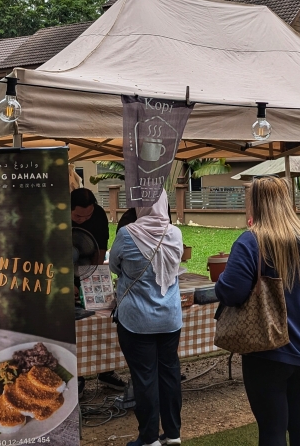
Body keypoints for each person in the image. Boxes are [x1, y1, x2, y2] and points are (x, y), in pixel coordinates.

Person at [215, 177, 300, 446]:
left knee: (271, 430)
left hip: (266, 351)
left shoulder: (250, 242)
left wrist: (220, 281)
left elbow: (231, 292)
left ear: (255, 204)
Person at [109, 191, 184, 446]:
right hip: (170, 317)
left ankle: (149, 438)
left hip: (137, 319)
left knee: (145, 378)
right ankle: (173, 434)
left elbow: (114, 266)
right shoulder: (175, 233)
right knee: (170, 374)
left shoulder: (127, 233)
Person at [71, 188, 128, 390]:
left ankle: (106, 370)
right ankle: (76, 375)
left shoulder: (98, 216)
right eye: (77, 216)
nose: (83, 220)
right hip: (61, 274)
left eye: (87, 215)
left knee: (103, 322)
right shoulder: (56, 218)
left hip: (90, 268)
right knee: (74, 329)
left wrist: (95, 279)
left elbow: (101, 250)